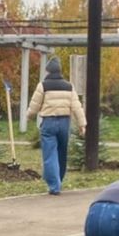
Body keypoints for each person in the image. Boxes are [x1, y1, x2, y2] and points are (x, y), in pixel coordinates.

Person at [25, 56, 86, 194]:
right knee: (61, 153)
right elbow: (77, 106)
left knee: (50, 154)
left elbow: (35, 105)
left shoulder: (43, 85)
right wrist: (82, 124)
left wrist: (28, 116)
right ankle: (59, 180)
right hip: (65, 123)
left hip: (49, 123)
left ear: (48, 71)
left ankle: (54, 186)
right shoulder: (69, 86)